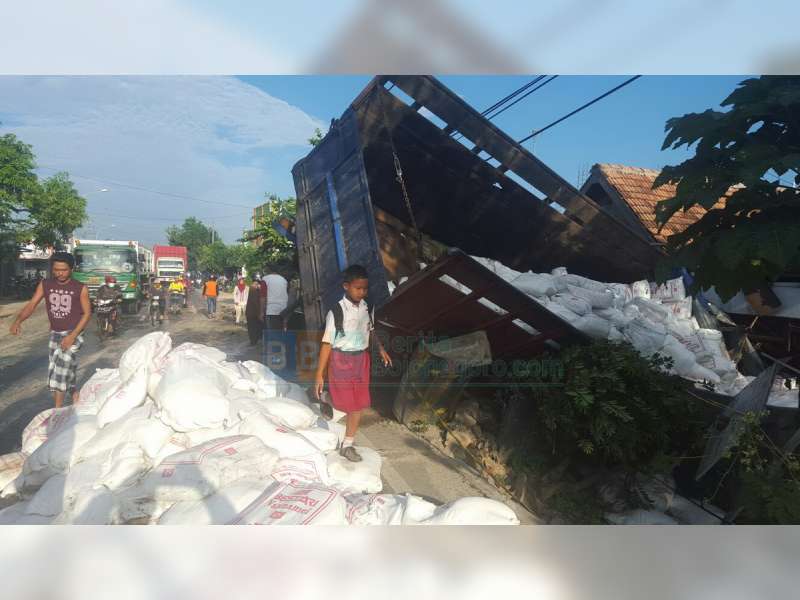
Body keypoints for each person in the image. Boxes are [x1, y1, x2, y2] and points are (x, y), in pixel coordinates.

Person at [314, 264, 392, 462]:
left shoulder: (367, 307)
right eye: (358, 288)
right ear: (346, 286)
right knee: (343, 404)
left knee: (357, 405)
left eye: (365, 288)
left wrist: (381, 349)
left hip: (361, 360)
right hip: (340, 359)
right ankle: (326, 396)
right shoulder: (336, 312)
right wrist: (319, 374)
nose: (362, 292)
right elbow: (326, 343)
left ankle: (347, 445)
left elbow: (370, 330)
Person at [9, 252, 91, 408]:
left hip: (74, 332)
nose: (60, 273)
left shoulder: (80, 288)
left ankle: (57, 411)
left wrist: (72, 336)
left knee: (60, 368)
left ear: (71, 269)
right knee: (60, 366)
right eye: (56, 270)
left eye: (64, 270)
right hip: (55, 333)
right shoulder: (45, 284)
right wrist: (18, 321)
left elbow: (87, 314)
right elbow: (32, 305)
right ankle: (74, 391)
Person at [245, 280, 264, 345]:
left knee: (252, 328)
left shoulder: (252, 289)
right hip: (253, 313)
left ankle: (254, 341)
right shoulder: (253, 290)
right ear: (256, 284)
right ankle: (253, 341)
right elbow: (255, 302)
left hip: (251, 312)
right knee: (253, 328)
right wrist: (260, 312)